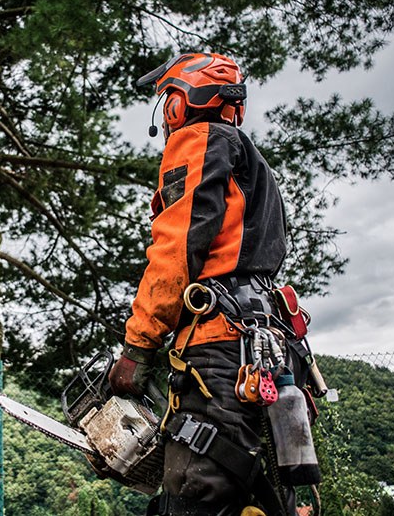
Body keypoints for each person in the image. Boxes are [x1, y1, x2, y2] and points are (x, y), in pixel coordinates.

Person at [109, 53, 308, 516]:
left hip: (219, 350)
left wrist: (137, 347)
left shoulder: (198, 141)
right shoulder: (252, 162)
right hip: (269, 346)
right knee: (257, 497)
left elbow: (175, 250)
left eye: (168, 102)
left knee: (197, 493)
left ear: (180, 102)